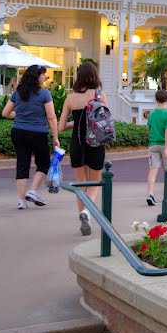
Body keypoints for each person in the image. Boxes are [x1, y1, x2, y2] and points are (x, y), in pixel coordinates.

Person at [59, 62, 108, 237]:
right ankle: (87, 212)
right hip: (95, 142)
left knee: (80, 183)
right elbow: (106, 119)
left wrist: (77, 121)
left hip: (77, 143)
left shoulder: (70, 98)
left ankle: (82, 216)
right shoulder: (99, 94)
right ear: (94, 76)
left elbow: (61, 126)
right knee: (95, 182)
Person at [1, 64, 59, 210]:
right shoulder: (44, 93)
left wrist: (19, 116)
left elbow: (5, 113)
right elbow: (51, 117)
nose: (44, 77)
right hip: (38, 132)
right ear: (36, 77)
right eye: (43, 75)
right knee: (44, 163)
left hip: (18, 131)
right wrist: (55, 138)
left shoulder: (18, 92)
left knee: (22, 164)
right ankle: (33, 191)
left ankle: (22, 201)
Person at [145, 89, 167, 207]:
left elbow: (149, 129)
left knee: (153, 170)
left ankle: (150, 194)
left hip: (153, 145)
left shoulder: (152, 114)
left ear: (156, 100)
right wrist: (166, 148)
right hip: (164, 145)